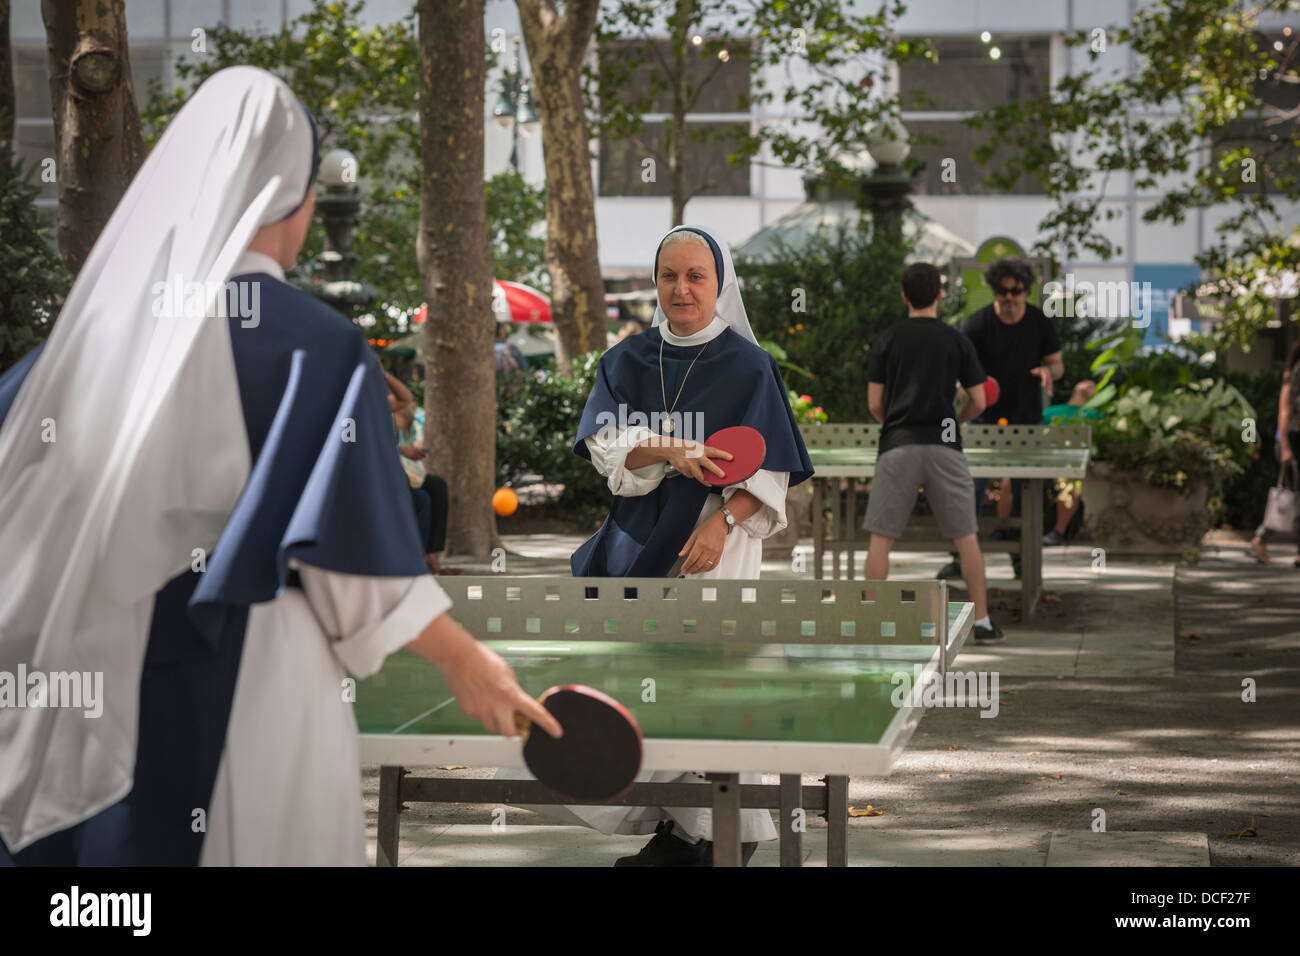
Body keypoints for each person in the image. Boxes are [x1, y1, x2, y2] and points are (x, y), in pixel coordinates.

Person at [0, 66, 558, 866]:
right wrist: (470, 663)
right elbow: (357, 577)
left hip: (100, 667)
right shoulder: (318, 346)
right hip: (256, 681)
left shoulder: (83, 349)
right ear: (294, 196)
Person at [510, 224, 813, 867]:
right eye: (669, 276)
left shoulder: (750, 366)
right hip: (639, 544)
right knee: (647, 682)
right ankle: (682, 829)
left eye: (695, 277)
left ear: (719, 284)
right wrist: (676, 450)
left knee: (711, 684)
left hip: (715, 555)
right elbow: (607, 449)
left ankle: (716, 834)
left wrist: (722, 521)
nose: (682, 289)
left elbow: (772, 474)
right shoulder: (626, 360)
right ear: (655, 283)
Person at [862, 263, 1003, 645]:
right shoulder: (957, 341)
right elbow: (977, 399)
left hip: (898, 444)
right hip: (945, 445)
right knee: (966, 537)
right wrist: (954, 420)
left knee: (881, 537)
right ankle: (985, 623)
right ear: (940, 294)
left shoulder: (888, 340)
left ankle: (871, 623)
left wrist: (895, 419)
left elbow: (876, 403)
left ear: (904, 296)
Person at [938, 257, 1063, 581]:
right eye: (1003, 291)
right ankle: (959, 557)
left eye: (1017, 290)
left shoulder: (1039, 322)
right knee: (971, 485)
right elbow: (960, 372)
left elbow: (1057, 364)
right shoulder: (977, 324)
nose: (1010, 297)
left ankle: (1022, 560)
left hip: (1026, 421)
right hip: (983, 419)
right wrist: (965, 390)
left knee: (1025, 493)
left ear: (1026, 290)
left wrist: (1048, 372)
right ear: (995, 291)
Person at [387, 371, 449, 573]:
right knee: (421, 499)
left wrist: (384, 374)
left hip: (399, 471)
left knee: (437, 486)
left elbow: (406, 398)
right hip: (381, 478)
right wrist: (401, 450)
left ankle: (429, 552)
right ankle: (417, 558)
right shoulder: (352, 413)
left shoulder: (374, 401)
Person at [1248, 341, 1300, 567]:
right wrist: (1286, 449)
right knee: (1290, 497)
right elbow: (1285, 412)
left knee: (1291, 496)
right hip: (1294, 441)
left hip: (1293, 440)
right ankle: (1263, 538)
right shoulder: (1294, 377)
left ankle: (1261, 538)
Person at [1041, 380, 1100, 545]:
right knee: (1008, 481)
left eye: (1093, 385)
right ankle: (1005, 531)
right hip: (1045, 459)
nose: (1089, 384)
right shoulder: (1051, 412)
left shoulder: (1097, 414)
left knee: (1069, 478)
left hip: (1075, 462)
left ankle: (1057, 533)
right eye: (1085, 382)